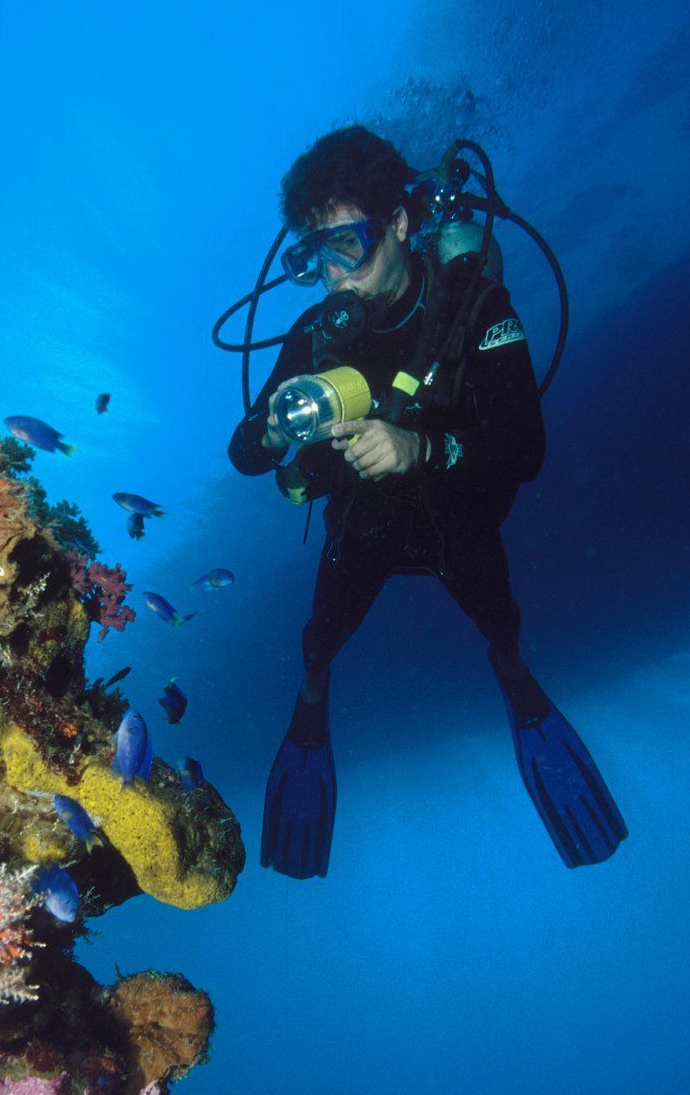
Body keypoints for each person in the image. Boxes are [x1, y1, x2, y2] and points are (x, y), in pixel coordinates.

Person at [228, 123, 626, 877]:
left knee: (498, 619)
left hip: (457, 518)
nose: (334, 274)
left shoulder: (475, 308)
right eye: (314, 255)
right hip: (365, 524)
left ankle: (514, 677)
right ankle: (312, 705)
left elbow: (526, 450)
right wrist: (275, 431)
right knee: (320, 639)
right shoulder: (316, 334)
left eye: (349, 244)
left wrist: (421, 449)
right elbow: (243, 453)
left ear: (401, 224)